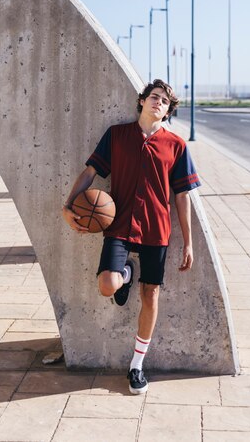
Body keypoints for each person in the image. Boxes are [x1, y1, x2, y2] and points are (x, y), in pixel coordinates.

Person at [62, 79, 200, 395]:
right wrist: (68, 206)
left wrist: (189, 242)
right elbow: (90, 173)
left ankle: (137, 365)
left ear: (167, 112)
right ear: (141, 101)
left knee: (150, 296)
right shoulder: (117, 135)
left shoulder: (176, 146)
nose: (159, 103)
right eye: (154, 97)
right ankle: (125, 273)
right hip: (118, 225)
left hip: (155, 229)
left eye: (165, 102)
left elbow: (182, 196)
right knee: (107, 284)